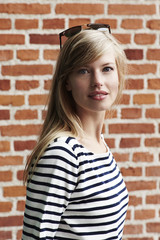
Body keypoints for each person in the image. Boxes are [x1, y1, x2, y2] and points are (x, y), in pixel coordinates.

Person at [22, 23, 128, 240]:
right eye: (83, 70)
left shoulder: (99, 146)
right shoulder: (62, 153)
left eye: (107, 68)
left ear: (118, 75)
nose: (98, 81)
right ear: (67, 82)